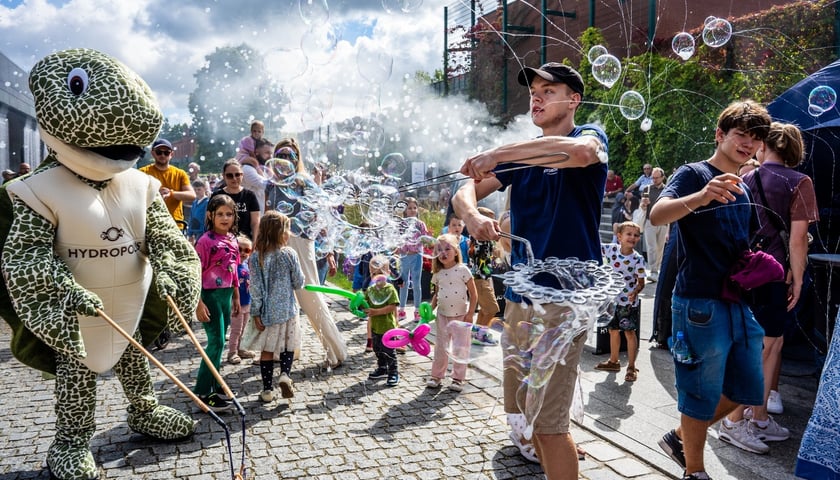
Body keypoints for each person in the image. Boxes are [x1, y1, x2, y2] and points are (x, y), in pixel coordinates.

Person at [453, 62, 607, 480]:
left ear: (573, 99)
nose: (536, 96)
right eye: (533, 91)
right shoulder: (522, 155)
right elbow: (464, 189)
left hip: (564, 300)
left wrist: (499, 153)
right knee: (524, 411)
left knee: (548, 423)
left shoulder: (588, 136)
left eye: (548, 89)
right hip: (521, 299)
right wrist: (470, 215)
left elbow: (581, 155)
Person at [649, 99, 771, 480]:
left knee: (748, 387)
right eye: (740, 135)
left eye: (755, 138)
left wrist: (756, 262)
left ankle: (679, 435)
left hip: (735, 299)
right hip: (698, 300)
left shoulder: (746, 187)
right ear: (720, 135)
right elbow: (658, 213)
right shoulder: (694, 173)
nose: (747, 144)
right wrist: (702, 195)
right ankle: (695, 471)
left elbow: (738, 242)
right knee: (700, 389)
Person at [719, 122, 818, 454]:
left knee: (762, 344)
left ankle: (758, 417)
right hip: (774, 275)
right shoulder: (799, 181)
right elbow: (798, 239)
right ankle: (734, 421)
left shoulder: (746, 176)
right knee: (767, 347)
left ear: (765, 145)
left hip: (746, 272)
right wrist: (799, 277)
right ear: (794, 149)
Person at [267, 137, 347, 368]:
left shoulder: (304, 182)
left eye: (289, 156)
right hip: (277, 241)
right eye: (280, 156)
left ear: (296, 160)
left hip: (300, 241)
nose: (284, 161)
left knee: (309, 295)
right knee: (283, 298)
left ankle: (336, 351)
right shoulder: (272, 186)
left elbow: (323, 210)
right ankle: (287, 350)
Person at [249, 211, 305, 402]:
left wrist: (256, 312)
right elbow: (299, 282)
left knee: (267, 350)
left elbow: (255, 288)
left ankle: (266, 390)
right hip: (288, 311)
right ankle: (284, 375)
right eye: (287, 229)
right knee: (288, 346)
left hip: (267, 313)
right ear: (280, 233)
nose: (289, 233)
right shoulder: (289, 254)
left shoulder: (256, 257)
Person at [193, 194, 241, 412]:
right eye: (220, 214)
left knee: (221, 341)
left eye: (229, 214)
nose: (224, 218)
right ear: (211, 215)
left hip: (226, 294)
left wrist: (237, 296)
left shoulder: (233, 239)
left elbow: (234, 270)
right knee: (217, 342)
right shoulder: (204, 241)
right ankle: (203, 391)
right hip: (209, 296)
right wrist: (198, 303)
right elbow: (195, 274)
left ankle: (215, 383)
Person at [426, 234, 477, 392]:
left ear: (456, 251)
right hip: (442, 315)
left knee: (460, 348)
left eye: (447, 248)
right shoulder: (438, 273)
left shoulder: (463, 270)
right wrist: (429, 310)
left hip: (461, 315)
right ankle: (437, 376)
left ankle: (457, 378)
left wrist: (470, 313)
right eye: (439, 250)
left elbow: (473, 294)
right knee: (441, 347)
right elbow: (436, 294)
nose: (443, 252)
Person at [595, 221, 645, 382]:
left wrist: (635, 292)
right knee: (613, 330)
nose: (632, 237)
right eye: (628, 234)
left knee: (629, 333)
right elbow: (594, 244)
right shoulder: (610, 249)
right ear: (619, 237)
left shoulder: (638, 259)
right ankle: (614, 361)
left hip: (627, 303)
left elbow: (641, 282)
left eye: (636, 235)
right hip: (611, 300)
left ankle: (631, 366)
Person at [139, 139, 196, 228]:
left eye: (166, 153)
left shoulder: (180, 173)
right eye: (159, 152)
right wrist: (155, 194)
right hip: (151, 223)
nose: (162, 155)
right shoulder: (143, 172)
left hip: (175, 223)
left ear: (171, 154)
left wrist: (171, 193)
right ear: (153, 153)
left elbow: (192, 195)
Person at [364, 255, 401, 387]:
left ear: (388, 273)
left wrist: (375, 312)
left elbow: (392, 307)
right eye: (374, 273)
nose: (377, 276)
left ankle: (393, 372)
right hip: (375, 327)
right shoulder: (370, 290)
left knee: (390, 351)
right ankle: (382, 368)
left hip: (388, 328)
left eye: (380, 272)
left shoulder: (390, 289)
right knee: (378, 349)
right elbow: (365, 305)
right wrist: (359, 306)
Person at [468, 206, 501, 336]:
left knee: (484, 309)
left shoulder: (483, 239)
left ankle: (477, 332)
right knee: (492, 309)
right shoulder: (479, 238)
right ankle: (480, 334)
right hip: (479, 278)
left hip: (484, 277)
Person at [210, 159, 260, 241]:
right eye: (230, 175)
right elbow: (210, 220)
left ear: (242, 175)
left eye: (237, 175)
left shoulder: (250, 195)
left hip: (244, 244)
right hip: (222, 242)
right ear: (223, 176)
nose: (234, 178)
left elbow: (255, 223)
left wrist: (255, 241)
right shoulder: (217, 196)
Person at [398, 197, 430, 322]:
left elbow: (424, 238)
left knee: (417, 283)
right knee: (403, 283)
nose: (412, 210)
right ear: (404, 210)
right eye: (409, 208)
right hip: (404, 256)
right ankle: (401, 309)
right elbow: (399, 239)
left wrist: (416, 248)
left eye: (414, 208)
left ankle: (417, 310)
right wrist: (406, 249)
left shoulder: (420, 224)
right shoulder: (401, 223)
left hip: (417, 255)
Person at [226, 236, 255, 365]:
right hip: (236, 304)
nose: (243, 253)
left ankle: (241, 348)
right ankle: (232, 352)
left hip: (247, 302)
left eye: (247, 250)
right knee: (236, 330)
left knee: (244, 328)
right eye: (239, 249)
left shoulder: (246, 265)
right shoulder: (232, 266)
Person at [641, 167, 668, 282]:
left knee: (660, 248)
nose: (654, 180)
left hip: (663, 222)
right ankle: (653, 271)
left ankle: (657, 270)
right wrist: (643, 204)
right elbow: (642, 206)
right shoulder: (647, 189)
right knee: (651, 248)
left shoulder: (667, 189)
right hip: (649, 221)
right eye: (653, 177)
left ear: (662, 177)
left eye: (657, 178)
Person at [240, 137, 273, 215]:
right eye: (267, 153)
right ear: (256, 152)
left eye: (271, 153)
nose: (270, 156)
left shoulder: (264, 170)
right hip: (250, 221)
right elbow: (269, 186)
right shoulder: (247, 169)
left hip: (262, 218)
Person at [187, 179, 209, 244]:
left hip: (203, 232)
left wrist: (205, 232)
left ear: (204, 189)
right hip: (194, 230)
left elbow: (207, 219)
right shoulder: (194, 202)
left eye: (199, 189)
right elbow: (191, 218)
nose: (196, 191)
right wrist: (190, 233)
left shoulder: (207, 202)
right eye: (195, 190)